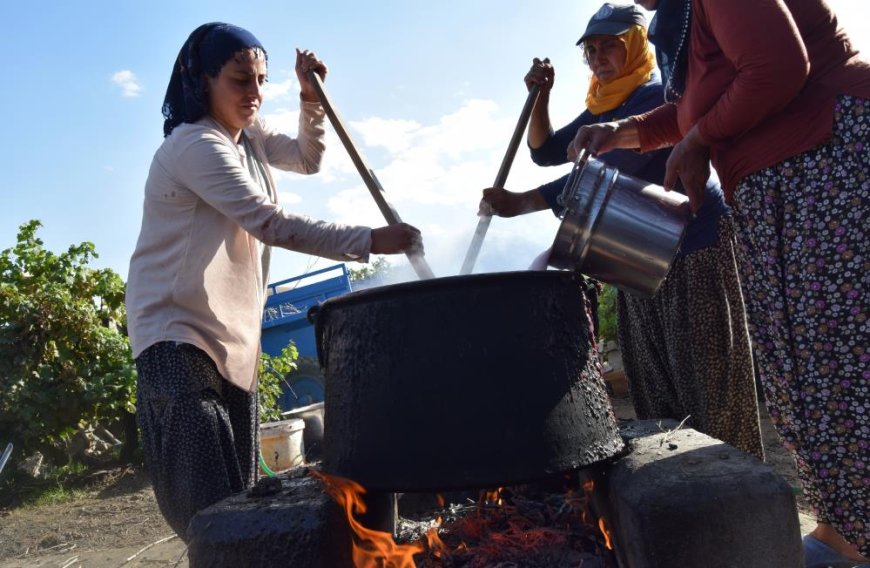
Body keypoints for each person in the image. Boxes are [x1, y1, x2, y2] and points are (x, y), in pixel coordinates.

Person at [570, 0, 870, 564]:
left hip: (826, 164)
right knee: (804, 369)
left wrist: (699, 139)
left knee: (841, 356)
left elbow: (776, 66)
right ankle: (845, 528)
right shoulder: (678, 21)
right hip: (776, 188)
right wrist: (620, 132)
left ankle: (856, 532)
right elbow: (688, 114)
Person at [125, 23, 422, 540]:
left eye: (261, 80)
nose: (255, 94)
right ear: (202, 80)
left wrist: (310, 99)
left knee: (237, 499)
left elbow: (309, 159)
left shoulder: (251, 139)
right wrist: (372, 239)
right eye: (241, 80)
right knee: (211, 511)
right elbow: (270, 223)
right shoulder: (195, 146)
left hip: (231, 337)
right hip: (177, 336)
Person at [480, 3, 764, 459]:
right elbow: (546, 151)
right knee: (655, 378)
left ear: (634, 46)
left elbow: (611, 164)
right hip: (635, 256)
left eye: (608, 46)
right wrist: (540, 98)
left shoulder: (657, 95)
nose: (596, 58)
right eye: (589, 50)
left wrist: (524, 202)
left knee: (706, 376)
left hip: (692, 244)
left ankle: (737, 484)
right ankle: (677, 484)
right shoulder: (602, 104)